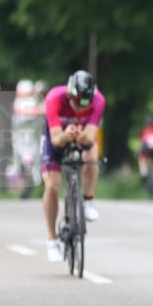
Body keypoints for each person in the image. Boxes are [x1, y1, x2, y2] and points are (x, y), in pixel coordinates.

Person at [40, 70, 105, 263]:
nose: (79, 109)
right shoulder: (54, 98)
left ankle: (87, 200)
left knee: (92, 154)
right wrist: (66, 135)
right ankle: (52, 240)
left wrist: (82, 137)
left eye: (85, 105)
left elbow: (90, 136)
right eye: (76, 103)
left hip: (81, 134)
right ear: (69, 95)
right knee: (52, 186)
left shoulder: (99, 100)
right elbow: (56, 140)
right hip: (57, 136)